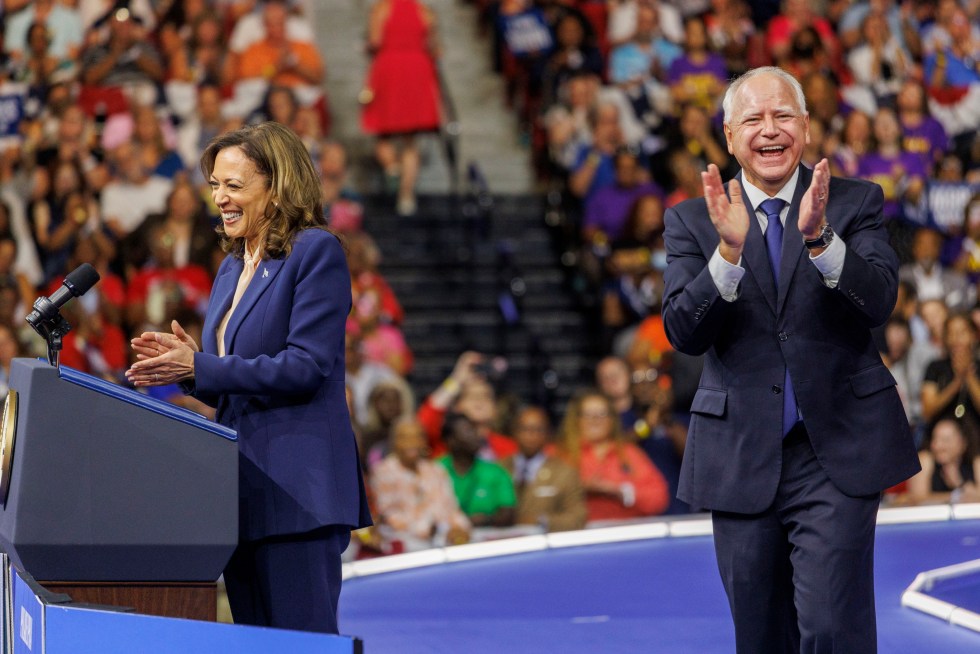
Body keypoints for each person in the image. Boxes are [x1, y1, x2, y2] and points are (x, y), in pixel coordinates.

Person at [661, 66, 919, 652]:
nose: (769, 130)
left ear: (805, 126)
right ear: (729, 136)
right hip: (740, 454)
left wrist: (822, 240)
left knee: (832, 628)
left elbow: (878, 302)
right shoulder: (692, 220)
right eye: (753, 119)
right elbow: (683, 331)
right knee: (760, 635)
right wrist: (726, 254)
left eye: (782, 116)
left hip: (836, 449)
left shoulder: (855, 202)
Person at [125, 122, 371, 634]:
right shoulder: (231, 267)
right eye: (215, 185)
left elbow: (306, 367)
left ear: (276, 188)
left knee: (303, 644)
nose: (219, 198)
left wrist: (202, 366)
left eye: (234, 186)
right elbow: (233, 374)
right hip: (240, 492)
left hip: (298, 492)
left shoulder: (315, 252)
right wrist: (191, 366)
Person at [360, 0, 442, 216]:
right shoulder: (424, 11)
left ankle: (392, 168)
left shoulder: (382, 8)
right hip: (417, 71)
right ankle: (406, 196)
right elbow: (434, 47)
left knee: (382, 134)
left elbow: (375, 41)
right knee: (410, 140)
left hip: (390, 69)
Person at [557, 390, 669, 522]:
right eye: (587, 414)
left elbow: (659, 498)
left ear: (612, 419)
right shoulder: (559, 454)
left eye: (602, 414)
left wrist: (619, 491)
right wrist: (580, 487)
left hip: (623, 536)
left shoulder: (629, 453)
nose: (595, 420)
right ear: (576, 419)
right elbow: (540, 498)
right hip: (574, 535)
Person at [502, 405, 587, 532]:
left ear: (548, 434)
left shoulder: (564, 472)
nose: (531, 435)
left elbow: (577, 518)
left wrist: (540, 521)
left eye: (538, 429)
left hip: (545, 544)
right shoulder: (499, 468)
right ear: (514, 431)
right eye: (524, 429)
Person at [904, 418, 980, 505]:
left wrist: (958, 482)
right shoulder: (925, 459)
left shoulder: (975, 461)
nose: (937, 445)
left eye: (945, 440)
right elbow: (917, 498)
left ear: (963, 443)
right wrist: (956, 496)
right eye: (935, 439)